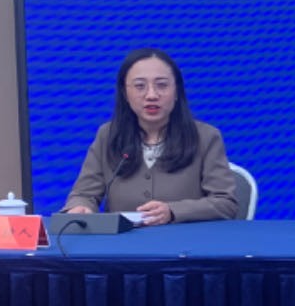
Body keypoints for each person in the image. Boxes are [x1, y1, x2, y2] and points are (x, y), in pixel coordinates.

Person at [62, 48, 239, 224]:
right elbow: (84, 194)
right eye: (140, 86)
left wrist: (173, 212)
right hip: (123, 241)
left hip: (184, 240)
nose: (151, 95)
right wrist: (80, 207)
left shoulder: (206, 137)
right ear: (125, 93)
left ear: (177, 91)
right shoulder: (108, 136)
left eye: (162, 85)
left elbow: (225, 203)